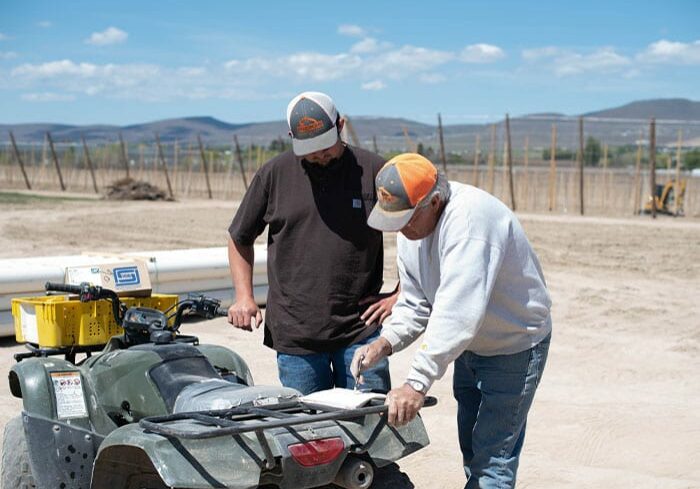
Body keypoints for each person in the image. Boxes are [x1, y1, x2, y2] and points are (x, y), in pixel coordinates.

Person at [351, 153, 551, 488]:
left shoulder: (471, 223)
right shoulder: (411, 230)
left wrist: (416, 383)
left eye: (406, 218)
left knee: (492, 462)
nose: (400, 228)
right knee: (473, 452)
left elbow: (458, 311)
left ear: (434, 201)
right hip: (470, 347)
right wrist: (384, 343)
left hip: (513, 347)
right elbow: (415, 302)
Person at [227, 91, 397, 395]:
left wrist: (402, 293)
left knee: (369, 426)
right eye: (309, 149)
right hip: (297, 337)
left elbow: (420, 230)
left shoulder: (374, 171)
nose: (319, 155)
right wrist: (244, 296)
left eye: (325, 146)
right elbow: (240, 236)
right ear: (291, 137)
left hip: (360, 331)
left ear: (340, 125)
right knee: (310, 434)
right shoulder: (274, 175)